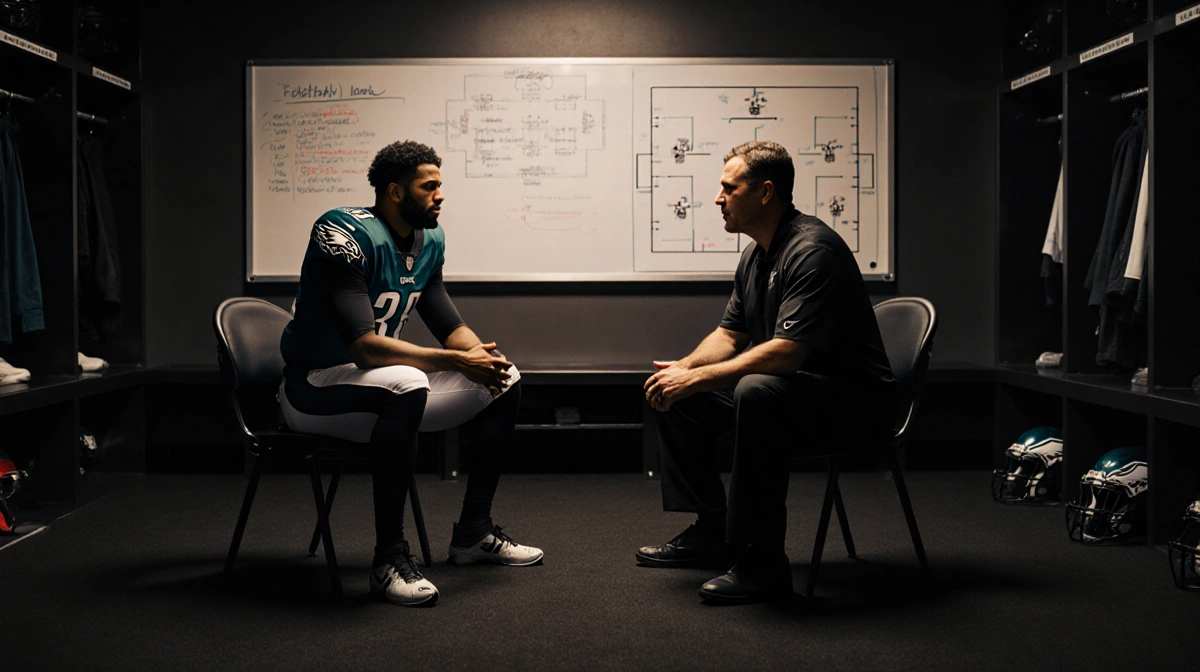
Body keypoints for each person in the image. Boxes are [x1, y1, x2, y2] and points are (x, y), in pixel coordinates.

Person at [279, 140, 543, 607]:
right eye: (429, 186)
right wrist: (456, 362)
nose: (440, 195)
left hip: (380, 388)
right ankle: (388, 558)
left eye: (440, 185)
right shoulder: (342, 232)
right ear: (395, 192)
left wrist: (480, 358)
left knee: (505, 380)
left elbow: (449, 326)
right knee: (409, 380)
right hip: (313, 386)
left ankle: (473, 533)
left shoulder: (429, 240)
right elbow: (364, 348)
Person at [637, 140, 897, 604]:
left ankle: (763, 562)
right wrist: (684, 370)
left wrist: (696, 377)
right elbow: (729, 335)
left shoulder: (813, 250)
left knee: (756, 392)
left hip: (855, 404)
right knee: (681, 394)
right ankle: (712, 531)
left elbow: (788, 354)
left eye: (729, 188)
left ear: (765, 192)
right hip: (799, 393)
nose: (717, 198)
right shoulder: (756, 254)